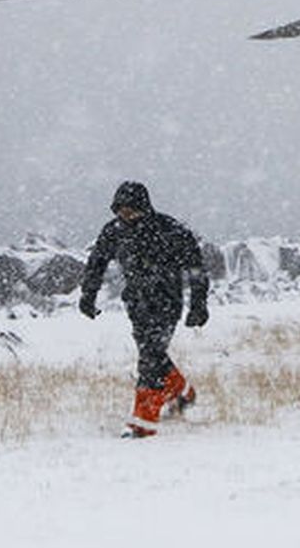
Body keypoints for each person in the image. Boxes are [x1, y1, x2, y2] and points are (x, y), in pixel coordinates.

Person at [79, 181, 210, 438]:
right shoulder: (114, 231)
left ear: (144, 207)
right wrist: (88, 295)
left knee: (149, 359)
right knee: (153, 353)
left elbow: (197, 269)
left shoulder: (171, 230)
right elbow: (96, 263)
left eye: (131, 210)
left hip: (167, 302)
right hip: (136, 303)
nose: (125, 216)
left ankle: (144, 422)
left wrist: (198, 305)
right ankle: (183, 391)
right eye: (120, 210)